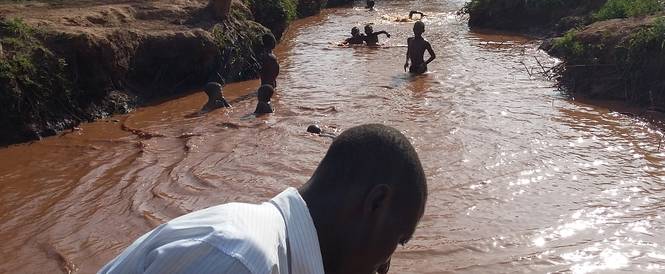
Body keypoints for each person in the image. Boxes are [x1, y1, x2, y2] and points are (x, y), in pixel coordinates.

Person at [98, 124, 428, 274]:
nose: (385, 268)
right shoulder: (242, 260)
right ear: (375, 204)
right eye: (399, 241)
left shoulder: (268, 245)